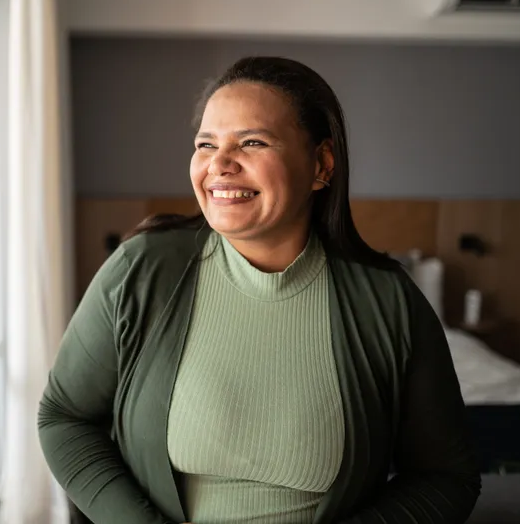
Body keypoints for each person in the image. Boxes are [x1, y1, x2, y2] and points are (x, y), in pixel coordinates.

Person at [38, 57, 481, 524]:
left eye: (252, 142)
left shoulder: (390, 304)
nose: (220, 165)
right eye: (205, 144)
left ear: (321, 164)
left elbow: (446, 477)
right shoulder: (139, 270)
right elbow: (64, 417)